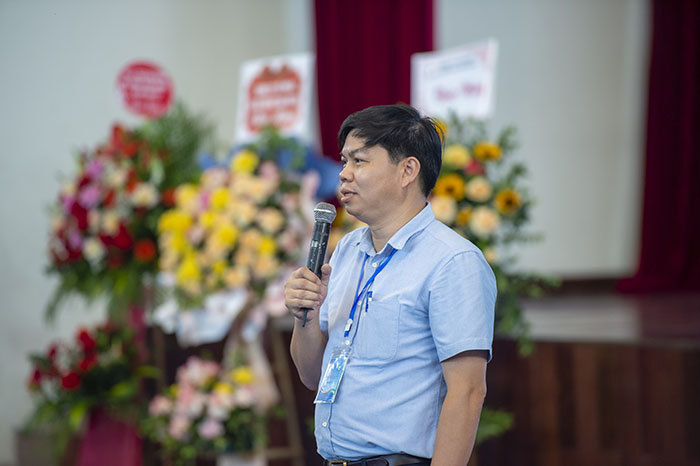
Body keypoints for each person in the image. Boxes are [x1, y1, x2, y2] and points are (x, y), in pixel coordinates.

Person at [284, 104, 496, 466]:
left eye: (359, 161)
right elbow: (312, 376)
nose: (344, 173)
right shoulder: (347, 250)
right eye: (344, 161)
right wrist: (306, 316)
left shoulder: (452, 261)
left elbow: (468, 391)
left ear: (407, 170)